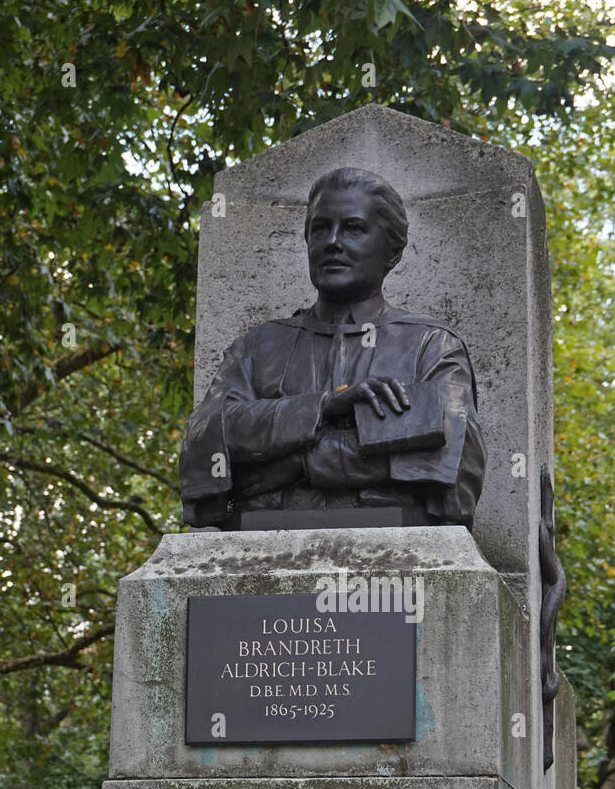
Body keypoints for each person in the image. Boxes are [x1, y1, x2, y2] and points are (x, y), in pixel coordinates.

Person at [180, 166, 486, 528]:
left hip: (395, 551)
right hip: (261, 546)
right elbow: (206, 439)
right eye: (320, 228)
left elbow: (453, 470)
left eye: (353, 228)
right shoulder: (257, 346)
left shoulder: (431, 345)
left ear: (391, 251)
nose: (332, 242)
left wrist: (286, 461)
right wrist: (324, 407)